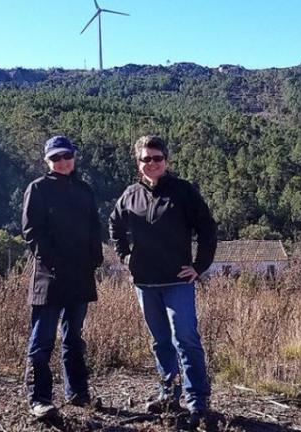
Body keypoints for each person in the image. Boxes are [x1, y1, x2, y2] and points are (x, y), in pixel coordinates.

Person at [109, 135, 217, 428]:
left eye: (157, 158)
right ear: (138, 163)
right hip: (145, 283)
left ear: (166, 160)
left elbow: (207, 229)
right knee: (160, 342)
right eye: (146, 159)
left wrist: (199, 266)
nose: (152, 163)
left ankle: (197, 400)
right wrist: (126, 258)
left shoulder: (183, 192)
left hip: (178, 282)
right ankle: (169, 394)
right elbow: (114, 226)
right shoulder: (130, 194)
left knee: (186, 339)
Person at [22, 135, 103, 419]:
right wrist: (53, 262)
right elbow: (32, 233)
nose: (62, 162)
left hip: (80, 276)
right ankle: (40, 399)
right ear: (47, 161)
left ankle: (78, 393)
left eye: (66, 156)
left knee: (74, 338)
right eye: (55, 158)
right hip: (49, 278)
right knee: (42, 339)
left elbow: (95, 226)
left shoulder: (84, 190)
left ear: (74, 157)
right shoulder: (38, 189)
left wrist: (96, 258)